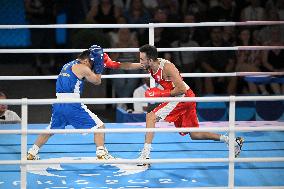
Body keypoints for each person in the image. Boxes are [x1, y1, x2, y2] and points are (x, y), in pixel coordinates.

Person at [103, 44, 244, 165]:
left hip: (182, 97)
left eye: (142, 59)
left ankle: (145, 155)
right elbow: (129, 66)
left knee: (150, 117)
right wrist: (111, 64)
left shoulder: (168, 68)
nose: (140, 62)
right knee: (194, 135)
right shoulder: (149, 65)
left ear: (150, 60)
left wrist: (160, 94)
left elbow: (181, 88)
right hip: (183, 97)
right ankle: (231, 141)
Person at [27, 45, 114, 160]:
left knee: (50, 129)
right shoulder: (83, 67)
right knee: (100, 126)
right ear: (86, 60)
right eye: (91, 63)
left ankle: (32, 152)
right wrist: (99, 66)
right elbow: (97, 81)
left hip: (58, 103)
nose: (91, 66)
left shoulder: (67, 65)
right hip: (72, 104)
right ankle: (101, 152)